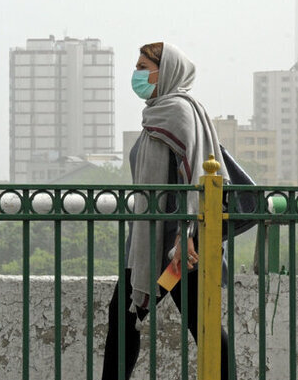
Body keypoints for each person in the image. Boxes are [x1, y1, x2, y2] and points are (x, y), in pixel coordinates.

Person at [101, 42, 234, 379]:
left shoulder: (176, 112)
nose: (137, 74)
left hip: (177, 249)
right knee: (134, 319)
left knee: (190, 322)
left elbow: (194, 175)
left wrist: (184, 235)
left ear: (167, 71)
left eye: (143, 67)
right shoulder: (159, 112)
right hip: (158, 243)